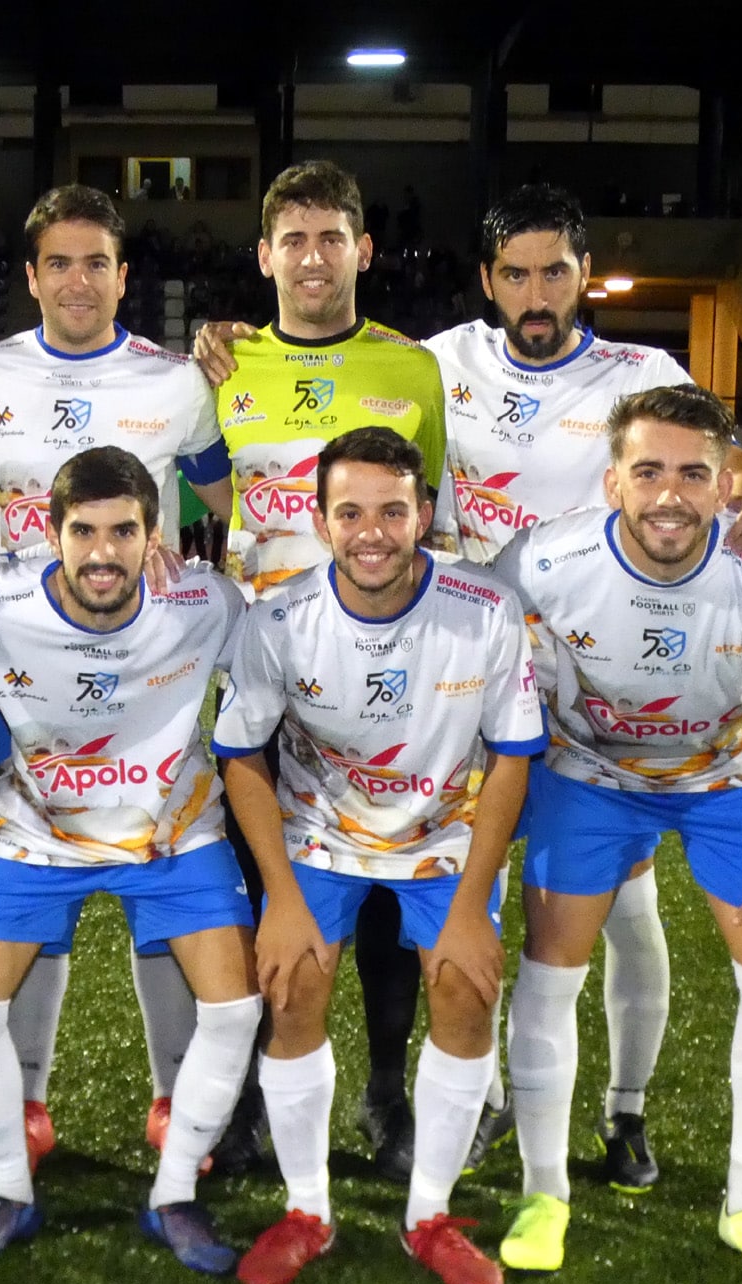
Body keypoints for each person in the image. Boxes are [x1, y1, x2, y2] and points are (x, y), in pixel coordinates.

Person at [196, 182, 742, 1190]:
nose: (535, 292)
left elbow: (714, 458)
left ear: (582, 274)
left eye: (555, 271)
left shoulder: (641, 372)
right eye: (515, 273)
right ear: (486, 280)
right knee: (432, 885)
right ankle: (441, 1099)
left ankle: (622, 1110)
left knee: (619, 904)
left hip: (600, 684)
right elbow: (335, 375)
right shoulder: (434, 362)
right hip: (463, 674)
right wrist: (225, 342)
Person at [489, 384, 742, 1284]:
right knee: (548, 970)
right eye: (647, 471)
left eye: (692, 474)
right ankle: (543, 1193)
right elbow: (471, 660)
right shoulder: (542, 558)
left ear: (724, 483)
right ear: (612, 481)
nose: (668, 494)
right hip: (592, 773)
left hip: (730, 774)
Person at [215, 426, 543, 1284]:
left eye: (392, 512)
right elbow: (240, 757)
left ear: (423, 515)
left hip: (444, 835)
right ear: (319, 520)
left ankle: (428, 1214)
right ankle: (307, 1210)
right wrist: (281, 896)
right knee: (292, 988)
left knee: (465, 992)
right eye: (350, 512)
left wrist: (471, 905)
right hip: (318, 833)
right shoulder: (277, 618)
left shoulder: (485, 609)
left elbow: (512, 758)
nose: (372, 533)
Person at [0, 183, 235, 1165]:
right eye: (59, 263)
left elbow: (231, 496)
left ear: (123, 276)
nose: (79, 281)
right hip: (27, 679)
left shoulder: (175, 382)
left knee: (162, 879)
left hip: (150, 675)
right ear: (30, 277)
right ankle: (27, 1103)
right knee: (38, 878)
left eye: (97, 263)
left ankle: (172, 1099)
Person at [0, 447, 261, 1274]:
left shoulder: (204, 603)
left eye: (123, 532)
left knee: (234, 1009)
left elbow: (275, 658)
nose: (102, 552)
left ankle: (174, 1193)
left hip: (172, 833)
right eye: (83, 531)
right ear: (51, 533)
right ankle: (7, 1189)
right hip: (37, 833)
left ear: (155, 535)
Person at [204, 159, 449, 1183]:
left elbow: (437, 515)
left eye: (331, 238)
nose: (313, 258)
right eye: (294, 240)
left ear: (363, 251)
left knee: (388, 891)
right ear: (264, 256)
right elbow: (206, 499)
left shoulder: (413, 370)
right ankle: (254, 1097)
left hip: (389, 675)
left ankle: (386, 1095)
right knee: (259, 888)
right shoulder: (220, 367)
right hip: (263, 676)